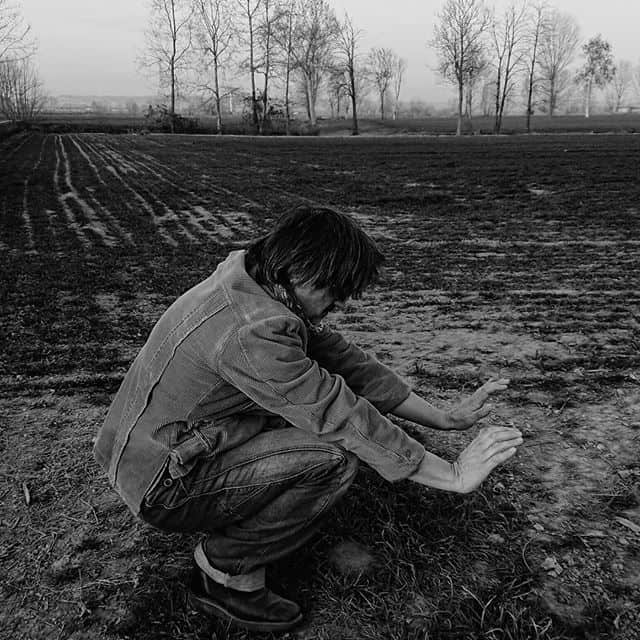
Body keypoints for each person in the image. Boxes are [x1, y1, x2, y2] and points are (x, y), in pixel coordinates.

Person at [94, 205, 522, 633]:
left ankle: (234, 526)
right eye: (334, 292)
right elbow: (339, 414)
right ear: (303, 273)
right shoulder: (253, 331)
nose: (335, 305)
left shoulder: (251, 281)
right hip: (162, 483)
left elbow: (344, 363)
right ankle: (226, 569)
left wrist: (445, 418)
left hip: (151, 450)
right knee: (333, 455)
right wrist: (453, 474)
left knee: (308, 422)